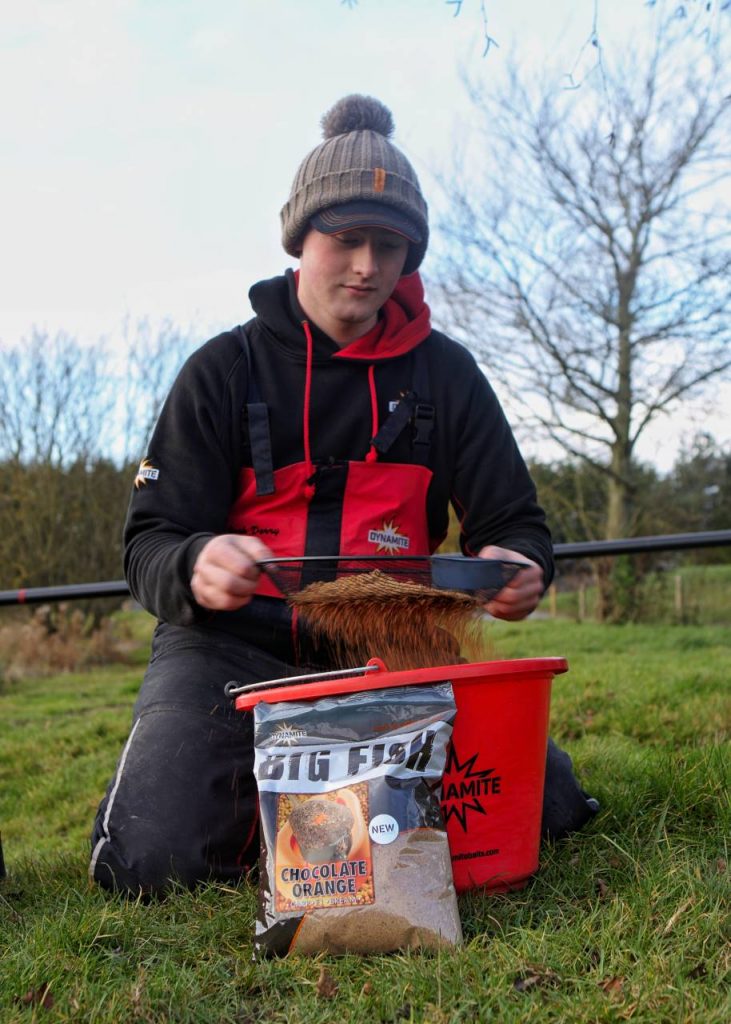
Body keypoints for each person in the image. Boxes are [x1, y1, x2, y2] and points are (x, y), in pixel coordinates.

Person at [90, 95, 597, 895]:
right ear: (300, 242)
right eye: (345, 239)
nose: (366, 265)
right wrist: (194, 562)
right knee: (156, 860)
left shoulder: (450, 375)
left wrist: (519, 564)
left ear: (409, 256)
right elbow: (146, 543)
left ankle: (311, 797)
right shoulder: (220, 372)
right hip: (232, 650)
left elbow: (516, 526)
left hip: (392, 650)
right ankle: (203, 785)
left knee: (551, 809)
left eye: (388, 246)